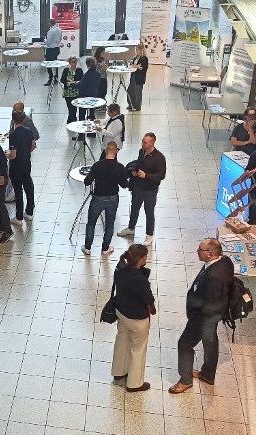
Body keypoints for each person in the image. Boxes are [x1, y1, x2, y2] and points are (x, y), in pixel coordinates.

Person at [169, 238, 234, 394]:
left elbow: (210, 303)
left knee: (184, 344)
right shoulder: (225, 261)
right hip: (214, 316)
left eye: (200, 250)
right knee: (210, 342)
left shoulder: (214, 277)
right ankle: (207, 374)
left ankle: (185, 380)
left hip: (204, 318)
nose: (197, 252)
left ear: (211, 253)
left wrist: (196, 318)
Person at [112, 244, 155, 392]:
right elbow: (149, 299)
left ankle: (118, 373)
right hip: (137, 319)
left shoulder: (120, 269)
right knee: (138, 349)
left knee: (121, 341)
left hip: (121, 311)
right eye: (145, 256)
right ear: (141, 258)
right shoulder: (140, 279)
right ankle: (135, 383)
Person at [118, 133, 167, 247]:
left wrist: (146, 176)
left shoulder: (159, 158)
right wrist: (134, 172)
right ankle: (131, 228)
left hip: (150, 190)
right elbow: (139, 164)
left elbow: (161, 175)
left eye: (145, 142)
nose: (142, 144)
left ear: (152, 143)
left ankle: (149, 235)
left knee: (149, 212)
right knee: (134, 208)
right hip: (138, 187)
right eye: (142, 141)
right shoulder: (141, 151)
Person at [82, 142, 128, 256]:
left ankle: (87, 248)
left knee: (91, 223)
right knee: (109, 224)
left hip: (98, 198)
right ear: (116, 151)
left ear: (105, 151)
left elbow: (87, 181)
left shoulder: (97, 165)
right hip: (113, 198)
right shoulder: (120, 167)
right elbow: (124, 185)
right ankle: (105, 248)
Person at [8, 111, 36, 224]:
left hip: (16, 167)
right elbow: (33, 145)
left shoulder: (13, 135)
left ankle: (19, 217)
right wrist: (25, 152)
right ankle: (29, 213)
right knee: (29, 187)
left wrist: (5, 155)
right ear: (24, 119)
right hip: (26, 163)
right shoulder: (29, 131)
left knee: (18, 191)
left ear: (13, 120)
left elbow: (13, 155)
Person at [61, 57, 84, 124]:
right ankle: (71, 119)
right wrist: (67, 82)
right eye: (73, 62)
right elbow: (62, 79)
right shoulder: (66, 70)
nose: (74, 63)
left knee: (75, 107)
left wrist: (75, 82)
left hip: (76, 92)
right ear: (70, 63)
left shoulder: (79, 70)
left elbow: (82, 80)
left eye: (75, 62)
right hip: (68, 92)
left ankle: (72, 119)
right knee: (70, 107)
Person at [127, 45, 149, 111]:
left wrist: (135, 66)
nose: (137, 51)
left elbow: (143, 68)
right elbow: (133, 65)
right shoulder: (135, 57)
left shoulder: (144, 58)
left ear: (142, 50)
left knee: (137, 93)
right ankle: (131, 104)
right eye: (136, 50)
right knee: (130, 91)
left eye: (138, 50)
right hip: (133, 76)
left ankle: (137, 107)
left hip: (139, 77)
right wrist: (134, 65)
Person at [44, 19, 62, 86]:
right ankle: (56, 79)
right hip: (57, 49)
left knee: (48, 64)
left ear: (51, 23)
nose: (48, 24)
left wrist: (45, 40)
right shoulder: (59, 30)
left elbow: (48, 42)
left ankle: (50, 78)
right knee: (55, 64)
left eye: (48, 23)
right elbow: (60, 39)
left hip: (50, 50)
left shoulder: (50, 31)